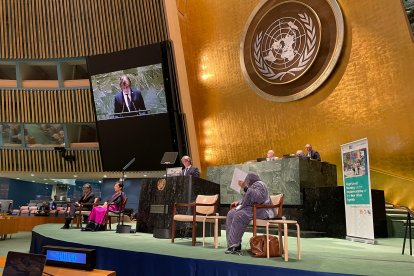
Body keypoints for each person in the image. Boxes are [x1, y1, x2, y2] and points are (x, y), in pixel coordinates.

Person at [225, 173, 274, 254]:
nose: (246, 181)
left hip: (262, 210)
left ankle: (234, 245)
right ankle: (233, 244)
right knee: (231, 214)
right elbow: (247, 199)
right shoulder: (252, 186)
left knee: (239, 215)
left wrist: (245, 187)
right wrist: (239, 202)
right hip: (252, 210)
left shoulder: (260, 184)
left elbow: (258, 198)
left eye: (247, 180)